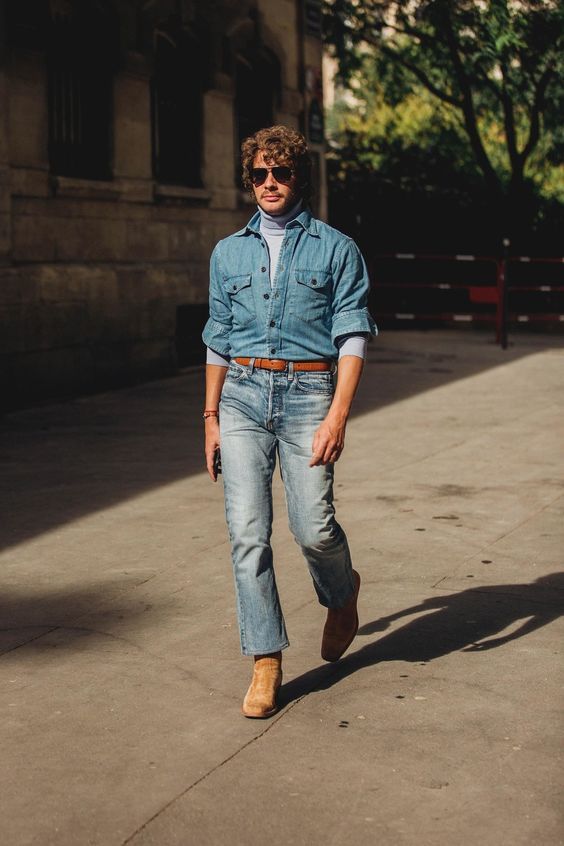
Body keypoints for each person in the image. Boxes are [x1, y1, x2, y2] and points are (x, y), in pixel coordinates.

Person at [202, 125, 376, 718]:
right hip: (243, 397)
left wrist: (338, 415)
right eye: (259, 174)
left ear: (298, 177)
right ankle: (265, 659)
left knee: (314, 528)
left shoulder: (336, 248)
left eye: (280, 173)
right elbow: (218, 341)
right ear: (248, 179)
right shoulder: (228, 253)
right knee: (248, 533)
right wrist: (209, 416)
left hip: (309, 395)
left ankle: (341, 592)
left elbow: (351, 336)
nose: (270, 184)